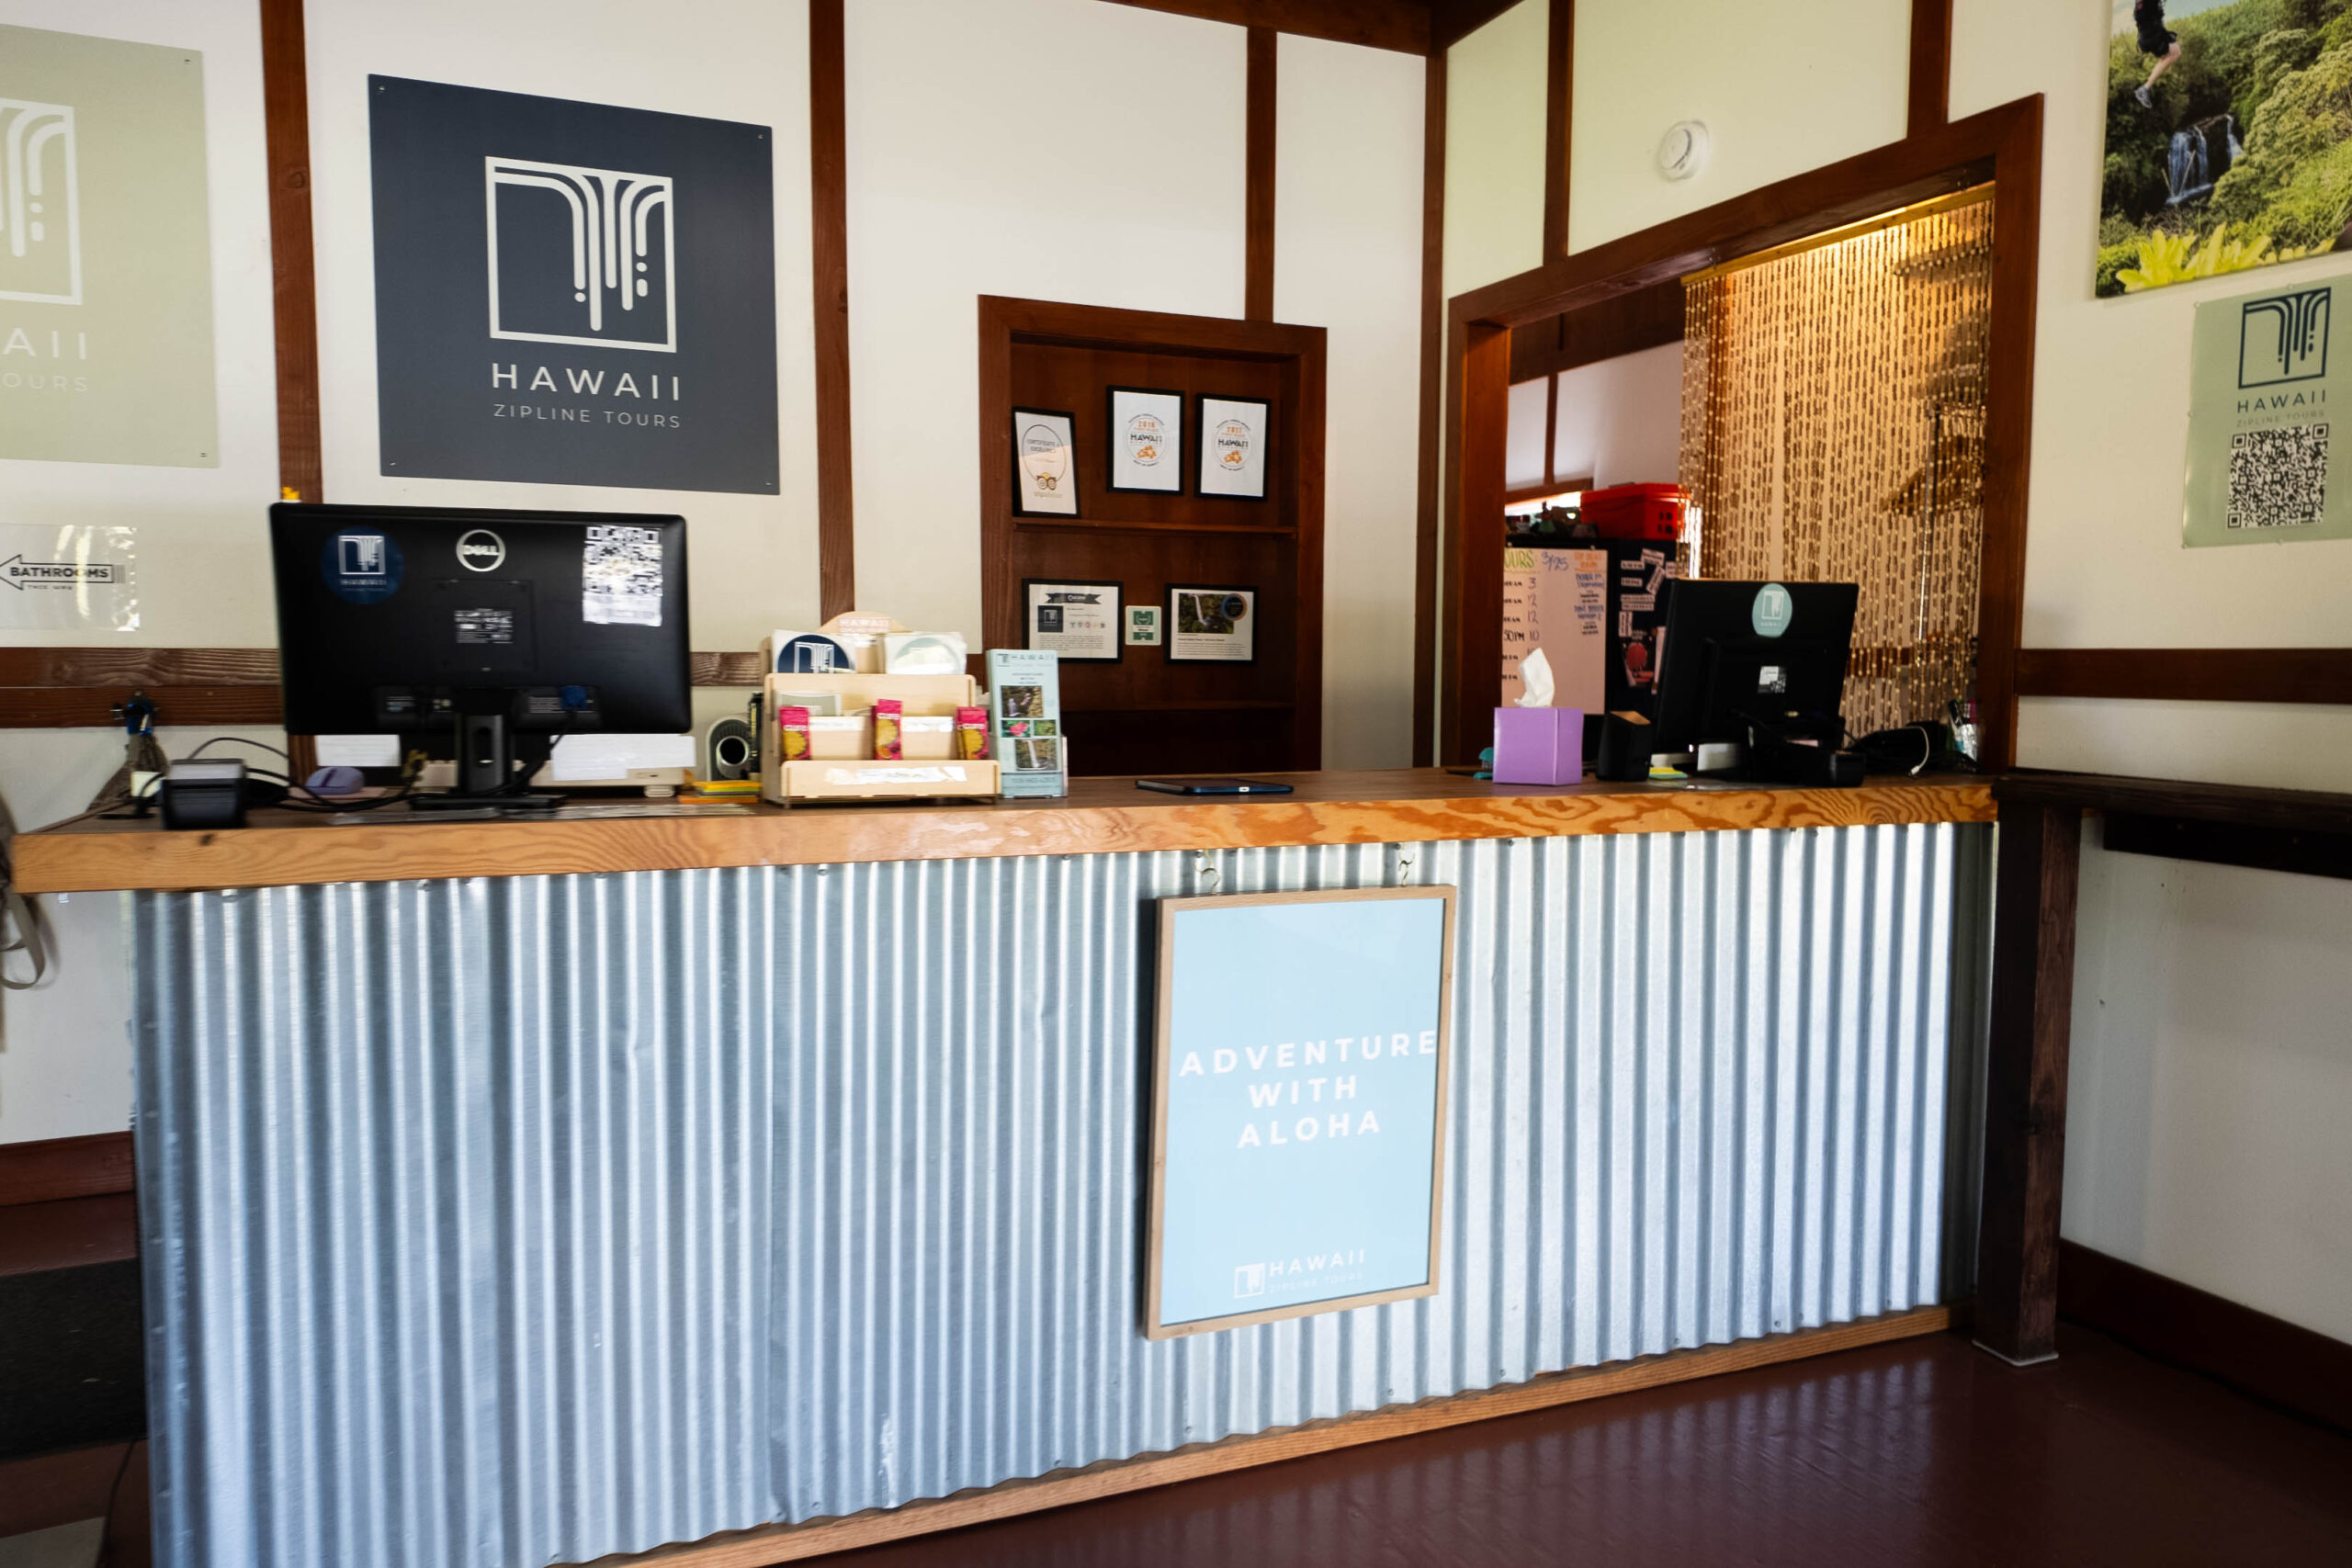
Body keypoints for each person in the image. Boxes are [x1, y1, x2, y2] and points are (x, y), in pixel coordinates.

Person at [2134, 0, 2181, 107]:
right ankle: (2145, 88)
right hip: (2152, 36)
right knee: (2175, 53)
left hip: (2153, 33)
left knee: (2171, 54)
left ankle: (2146, 87)